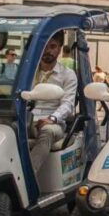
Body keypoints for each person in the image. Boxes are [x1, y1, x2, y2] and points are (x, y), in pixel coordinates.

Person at [30, 31, 77, 173]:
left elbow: (68, 104)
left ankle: (28, 176)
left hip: (53, 122)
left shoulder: (67, 75)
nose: (47, 50)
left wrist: (52, 118)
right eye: (44, 46)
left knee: (47, 132)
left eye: (52, 46)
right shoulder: (30, 72)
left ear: (59, 49)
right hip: (28, 119)